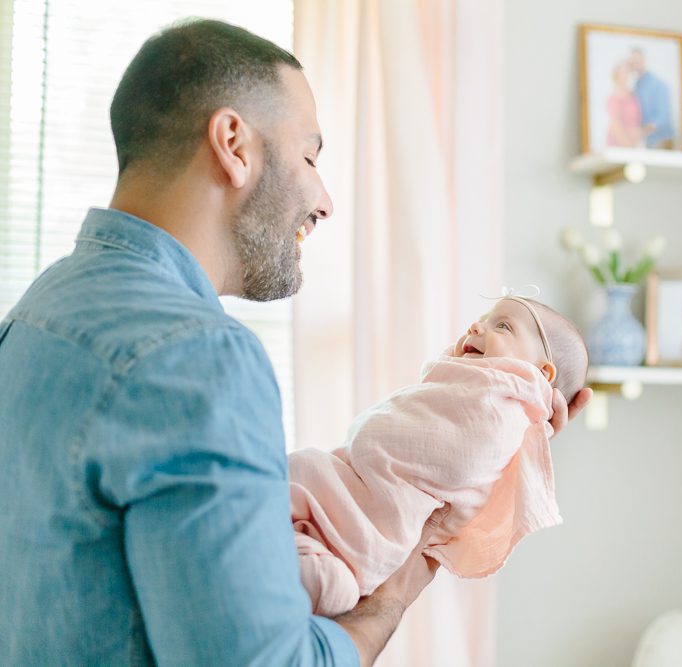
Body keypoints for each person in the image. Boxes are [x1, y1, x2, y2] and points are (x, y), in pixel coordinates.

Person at [0, 18, 594, 666]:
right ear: (233, 144)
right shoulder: (196, 359)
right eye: (310, 156)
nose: (325, 199)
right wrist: (394, 592)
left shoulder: (35, 314)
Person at [290, 296, 589, 616]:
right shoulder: (461, 392)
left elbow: (443, 457)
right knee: (307, 482)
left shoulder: (497, 416)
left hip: (366, 532)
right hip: (353, 511)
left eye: (502, 326)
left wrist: (375, 435)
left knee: (333, 584)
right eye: (482, 319)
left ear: (542, 374)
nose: (476, 326)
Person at [628, 47, 676, 149]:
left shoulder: (657, 84)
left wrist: (642, 131)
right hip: (644, 143)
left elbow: (663, 117)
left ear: (644, 60)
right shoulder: (636, 86)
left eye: (637, 60)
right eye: (632, 61)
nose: (635, 63)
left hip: (662, 143)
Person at [606, 62, 644, 148]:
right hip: (620, 144)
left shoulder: (632, 94)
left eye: (628, 72)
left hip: (634, 143)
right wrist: (627, 145)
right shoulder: (615, 97)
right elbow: (616, 125)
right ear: (616, 75)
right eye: (623, 72)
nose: (627, 75)